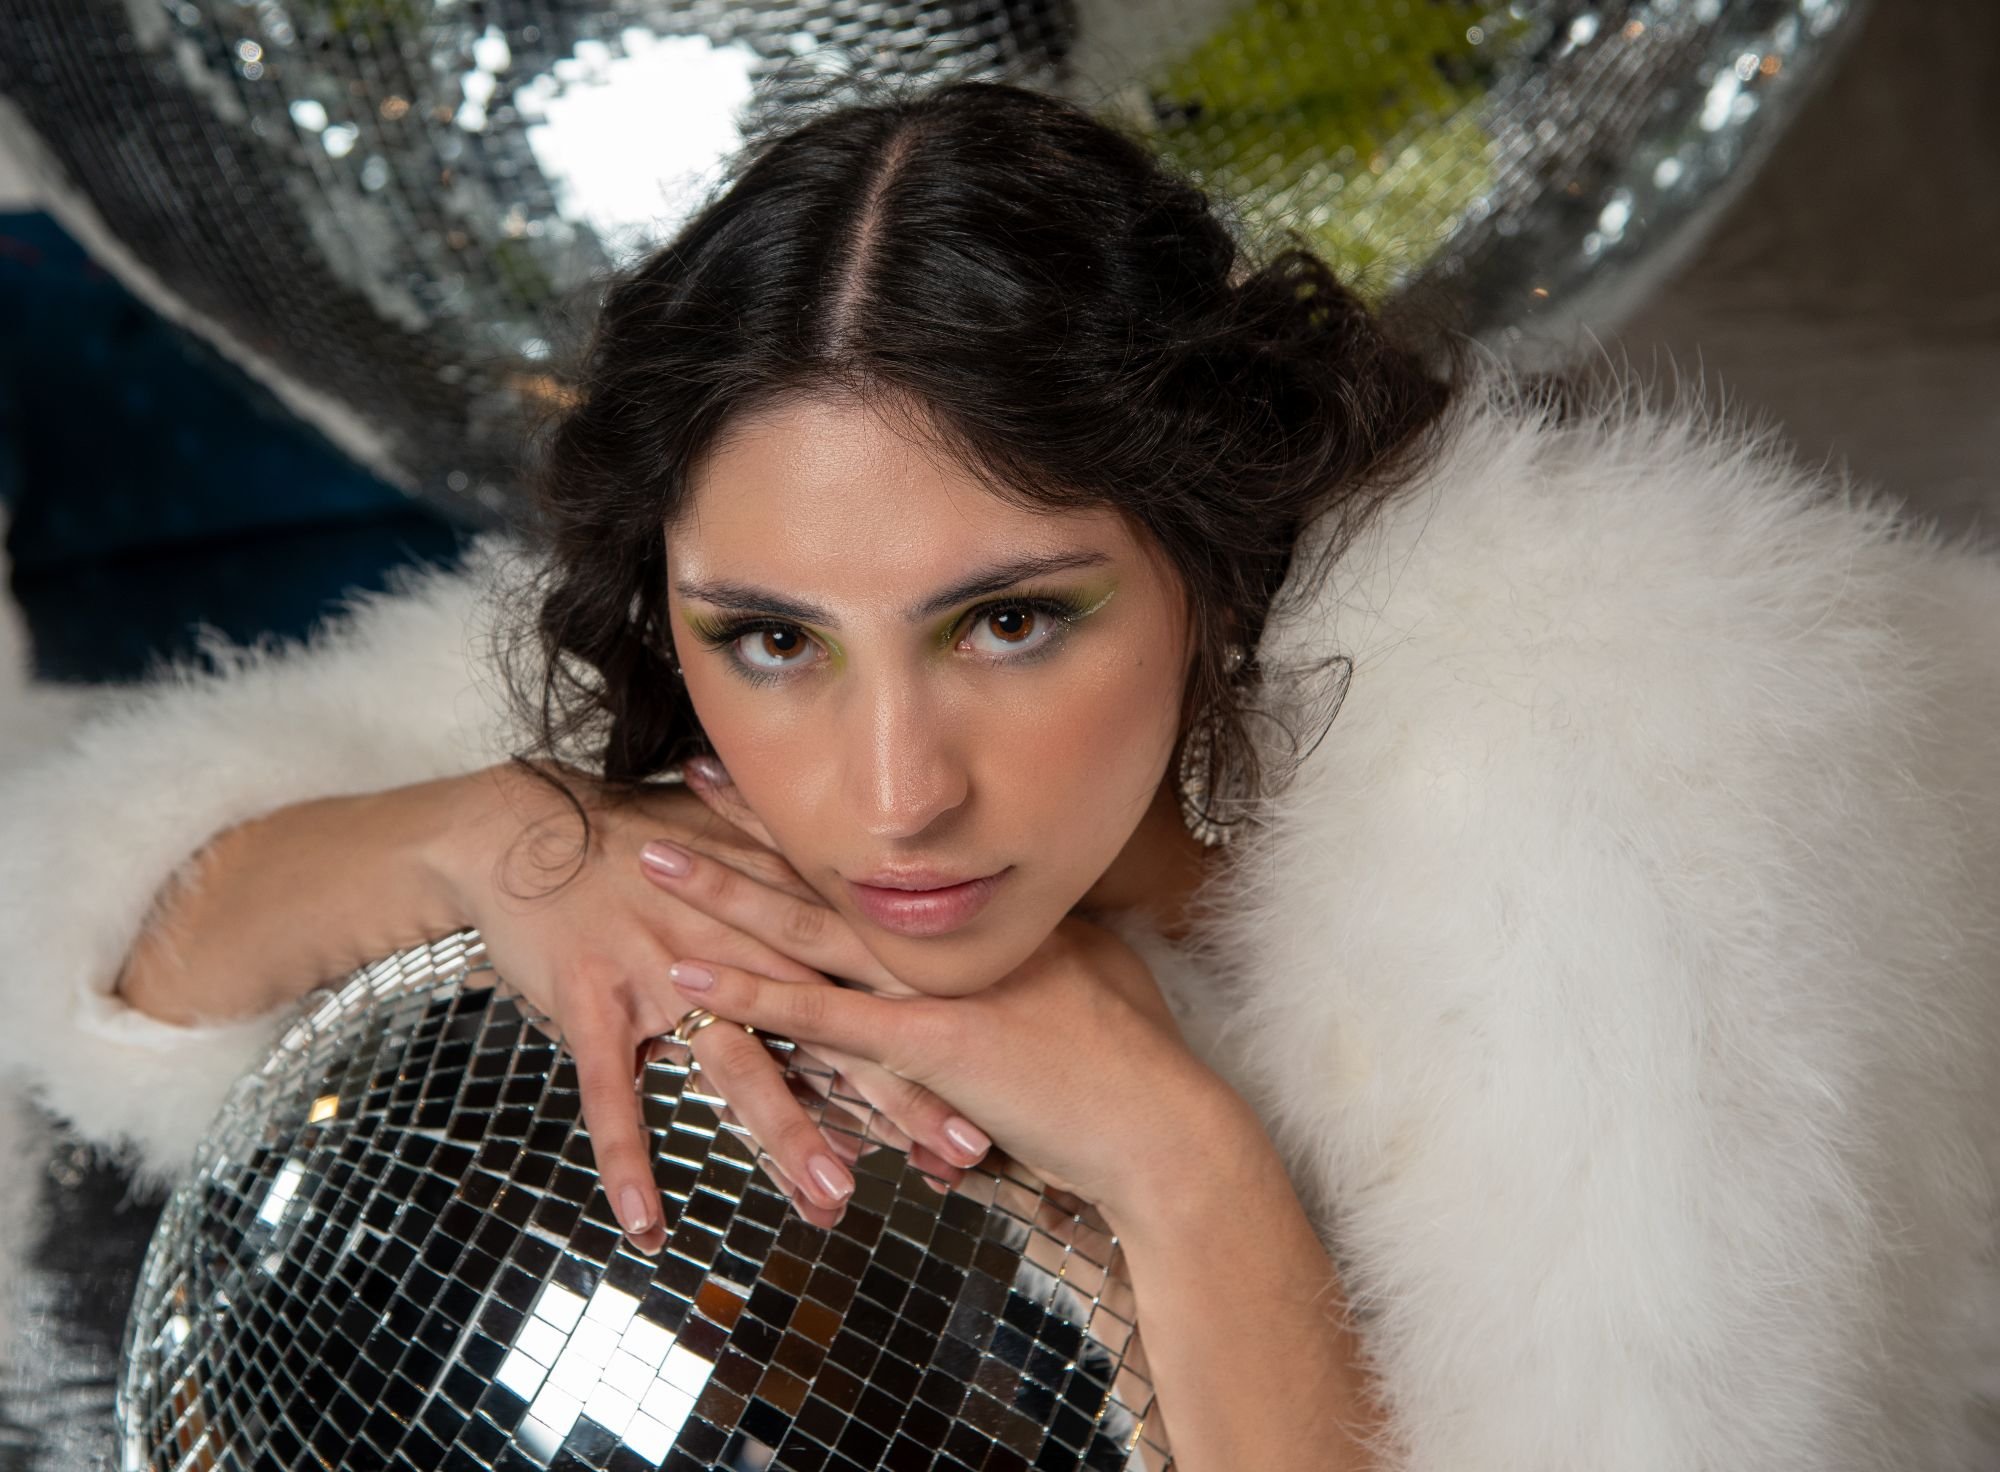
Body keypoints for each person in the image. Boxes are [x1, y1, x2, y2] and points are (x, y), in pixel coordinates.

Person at [4, 75, 2000, 1472]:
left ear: (1214, 553)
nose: (891, 795)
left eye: (1013, 621)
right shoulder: (684, 684)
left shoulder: (1619, 826)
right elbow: (112, 963)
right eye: (773, 640)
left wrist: (1179, 1162)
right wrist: (484, 840)